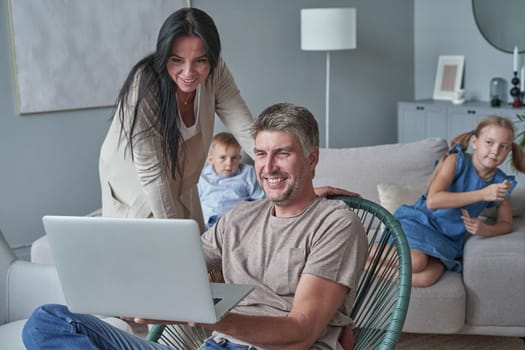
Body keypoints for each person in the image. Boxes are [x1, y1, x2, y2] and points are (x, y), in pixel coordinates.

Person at [22, 102, 369, 350]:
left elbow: (301, 331)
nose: (268, 167)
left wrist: (210, 319)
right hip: (217, 345)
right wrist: (127, 290)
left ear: (311, 158)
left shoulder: (335, 225)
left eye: (283, 153)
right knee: (48, 321)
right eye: (261, 154)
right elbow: (173, 264)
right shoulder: (239, 218)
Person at [98, 7, 357, 232]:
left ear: (212, 57)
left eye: (200, 61)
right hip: (137, 191)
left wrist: (301, 189)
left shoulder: (217, 73)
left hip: (183, 183)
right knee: (164, 262)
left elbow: (248, 131)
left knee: (199, 265)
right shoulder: (143, 89)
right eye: (176, 60)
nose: (188, 73)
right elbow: (154, 178)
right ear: (163, 54)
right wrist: (180, 243)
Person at [393, 115, 525, 288]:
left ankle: (365, 266)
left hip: (448, 239)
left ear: (508, 151)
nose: (495, 151)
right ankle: (361, 250)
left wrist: (486, 229)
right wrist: (482, 194)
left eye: (503, 147)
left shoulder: (501, 183)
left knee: (425, 278)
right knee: (417, 262)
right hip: (421, 223)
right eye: (489, 142)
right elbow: (433, 200)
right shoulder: (456, 161)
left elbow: (506, 223)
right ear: (475, 142)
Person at [198, 132, 265, 228]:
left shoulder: (247, 172)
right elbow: (194, 205)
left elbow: (260, 200)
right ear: (210, 159)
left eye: (234, 158)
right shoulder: (202, 178)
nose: (229, 163)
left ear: (239, 158)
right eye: (222, 158)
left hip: (236, 223)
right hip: (208, 225)